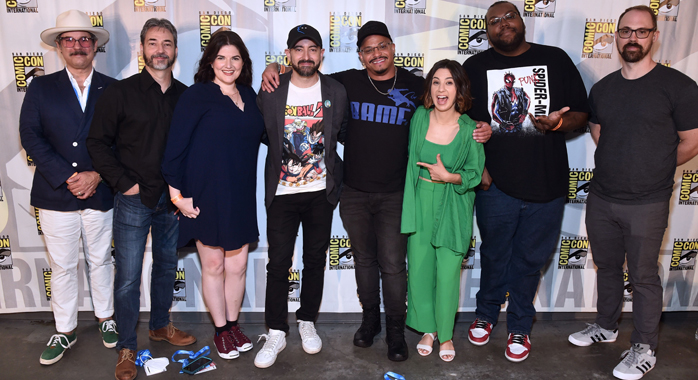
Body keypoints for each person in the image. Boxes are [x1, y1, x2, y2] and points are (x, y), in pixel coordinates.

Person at [262, 21, 491, 362]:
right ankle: (371, 321)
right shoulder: (345, 82)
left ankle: (396, 331)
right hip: (353, 191)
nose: (376, 53)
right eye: (368, 49)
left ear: (393, 48)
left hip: (398, 194)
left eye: (382, 45)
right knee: (365, 262)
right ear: (360, 55)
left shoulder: (417, 86)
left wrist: (480, 127)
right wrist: (274, 68)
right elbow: (305, 74)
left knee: (394, 265)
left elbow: (450, 105)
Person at [568, 5, 698, 380]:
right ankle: (606, 326)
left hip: (648, 201)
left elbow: (693, 140)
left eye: (642, 32)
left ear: (654, 37)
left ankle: (644, 347)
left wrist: (654, 165)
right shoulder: (604, 88)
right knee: (607, 267)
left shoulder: (679, 87)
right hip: (603, 197)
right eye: (626, 31)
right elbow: (598, 133)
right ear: (616, 36)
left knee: (642, 275)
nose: (632, 38)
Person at [461, 1, 589, 362]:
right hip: (495, 185)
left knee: (530, 260)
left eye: (509, 16)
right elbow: (463, 126)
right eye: (494, 21)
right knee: (494, 254)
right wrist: (480, 170)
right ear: (486, 30)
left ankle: (519, 324)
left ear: (522, 21)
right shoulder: (475, 67)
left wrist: (559, 124)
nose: (503, 24)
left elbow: (581, 112)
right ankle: (485, 314)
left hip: (546, 184)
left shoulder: (556, 59)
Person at [87, 18, 196, 380]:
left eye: (167, 43)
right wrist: (123, 183)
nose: (160, 50)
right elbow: (97, 143)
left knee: (166, 268)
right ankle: (126, 347)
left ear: (175, 50)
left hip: (171, 201)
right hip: (133, 199)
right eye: (153, 43)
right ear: (142, 49)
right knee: (129, 278)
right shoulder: (120, 93)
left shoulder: (186, 96)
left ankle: (161, 325)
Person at [18, 9, 117, 366]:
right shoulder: (41, 87)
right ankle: (65, 329)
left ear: (94, 46)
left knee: (101, 260)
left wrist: (96, 175)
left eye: (85, 39)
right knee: (61, 266)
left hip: (100, 192)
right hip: (55, 192)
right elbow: (31, 135)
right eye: (70, 39)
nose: (78, 45)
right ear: (60, 46)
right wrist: (66, 175)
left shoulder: (114, 88)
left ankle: (107, 318)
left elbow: (123, 139)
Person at [161, 30, 263, 360]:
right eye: (221, 58)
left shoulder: (249, 95)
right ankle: (221, 331)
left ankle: (234, 325)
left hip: (241, 193)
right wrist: (177, 197)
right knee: (215, 265)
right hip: (204, 194)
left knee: (238, 267)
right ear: (210, 62)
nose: (228, 64)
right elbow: (174, 150)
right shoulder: (197, 95)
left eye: (235, 58)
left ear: (243, 63)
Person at [253, 24, 348, 369]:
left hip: (320, 193)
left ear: (322, 54)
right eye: (299, 49)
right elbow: (265, 134)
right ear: (288, 55)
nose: (306, 56)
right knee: (278, 264)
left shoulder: (336, 91)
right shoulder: (271, 89)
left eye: (313, 49)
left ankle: (307, 320)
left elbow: (344, 134)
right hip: (282, 193)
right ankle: (276, 329)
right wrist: (271, 70)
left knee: (315, 260)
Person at [400, 59, 484, 362]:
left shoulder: (470, 129)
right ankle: (429, 329)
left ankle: (446, 335)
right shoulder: (420, 118)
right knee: (421, 270)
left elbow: (476, 173)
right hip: (420, 199)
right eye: (435, 81)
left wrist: (450, 176)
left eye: (449, 82)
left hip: (453, 203)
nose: (441, 88)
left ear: (459, 87)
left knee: (448, 274)